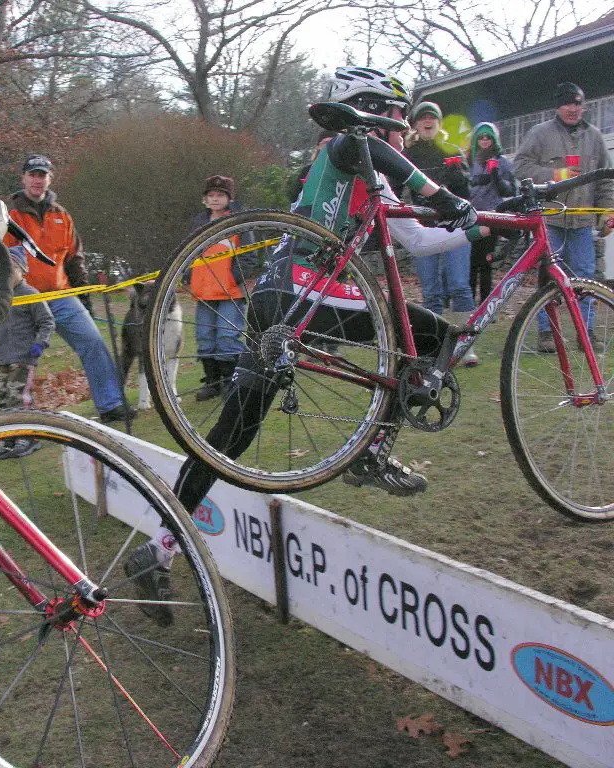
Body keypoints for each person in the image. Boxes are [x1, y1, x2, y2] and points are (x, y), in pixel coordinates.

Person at [124, 66, 490, 624]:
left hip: (279, 300)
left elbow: (417, 237)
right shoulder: (346, 147)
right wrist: (441, 193)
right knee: (432, 333)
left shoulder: (370, 170)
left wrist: (482, 226)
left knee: (233, 432)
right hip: (307, 292)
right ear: (368, 111)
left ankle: (157, 549)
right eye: (394, 117)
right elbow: (403, 174)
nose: (400, 130)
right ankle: (371, 451)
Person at [4, 155, 133, 424]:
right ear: (23, 178)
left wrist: (82, 294)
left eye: (43, 175)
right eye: (33, 174)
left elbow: (75, 258)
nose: (37, 180)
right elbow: (6, 261)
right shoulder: (11, 215)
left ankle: (111, 405)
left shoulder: (62, 215)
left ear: (49, 179)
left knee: (93, 342)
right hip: (26, 299)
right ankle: (26, 421)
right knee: (23, 360)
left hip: (62, 296)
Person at [514, 82, 614, 352]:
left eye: (578, 103)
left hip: (582, 224)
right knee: (549, 278)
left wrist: (607, 212)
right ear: (558, 107)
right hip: (551, 221)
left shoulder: (594, 137)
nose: (573, 109)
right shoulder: (540, 133)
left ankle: (586, 334)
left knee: (586, 279)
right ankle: (548, 335)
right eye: (568, 103)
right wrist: (555, 176)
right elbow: (520, 166)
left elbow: (605, 180)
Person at [404, 100, 479, 365]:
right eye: (423, 117)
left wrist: (457, 172)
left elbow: (467, 193)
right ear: (415, 124)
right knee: (432, 293)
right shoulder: (407, 154)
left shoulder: (453, 150)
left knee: (460, 286)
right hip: (423, 227)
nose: (428, 121)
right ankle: (435, 346)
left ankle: (465, 346)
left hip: (456, 226)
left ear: (438, 122)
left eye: (432, 117)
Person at [0, 246, 55, 459]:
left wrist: (40, 344)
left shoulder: (31, 295)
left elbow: (47, 322)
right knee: (0, 401)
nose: (8, 275)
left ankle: (28, 437)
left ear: (22, 270)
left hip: (23, 358)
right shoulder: (1, 298)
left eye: (12, 269)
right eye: (4, 271)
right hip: (2, 358)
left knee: (18, 399)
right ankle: (6, 439)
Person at [188, 175, 253, 401]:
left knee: (227, 338)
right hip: (203, 291)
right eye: (211, 195)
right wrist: (189, 277)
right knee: (204, 337)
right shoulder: (198, 223)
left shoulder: (239, 222)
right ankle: (213, 382)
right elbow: (187, 255)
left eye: (220, 195)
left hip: (230, 293)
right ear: (205, 199)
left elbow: (249, 256)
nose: (215, 199)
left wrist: (231, 278)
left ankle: (230, 383)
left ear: (229, 198)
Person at [467, 122, 516, 305]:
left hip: (492, 215)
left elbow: (511, 190)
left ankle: (486, 303)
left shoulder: (501, 162)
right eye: (481, 137)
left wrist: (496, 177)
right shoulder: (470, 160)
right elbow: (462, 186)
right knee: (471, 262)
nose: (485, 140)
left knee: (485, 262)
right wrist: (475, 181)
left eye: (488, 137)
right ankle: (469, 303)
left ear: (494, 139)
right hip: (471, 216)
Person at [287, 129, 338, 201]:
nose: (329, 146)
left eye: (333, 143)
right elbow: (294, 196)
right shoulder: (307, 171)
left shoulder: (340, 171)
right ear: (318, 146)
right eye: (326, 142)